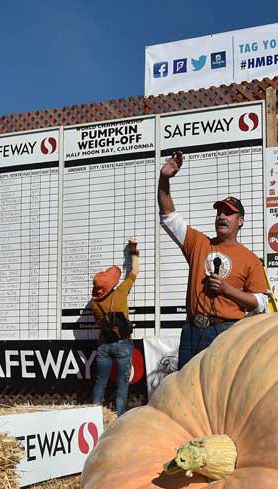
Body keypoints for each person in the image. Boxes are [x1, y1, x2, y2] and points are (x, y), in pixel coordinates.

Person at [158, 151, 267, 369]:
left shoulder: (250, 259)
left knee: (219, 391)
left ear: (241, 221)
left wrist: (227, 290)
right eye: (219, 212)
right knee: (186, 388)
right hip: (192, 329)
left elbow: (261, 304)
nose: (221, 216)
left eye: (228, 213)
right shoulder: (198, 243)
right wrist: (164, 179)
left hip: (226, 331)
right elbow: (168, 215)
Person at [89, 238, 138, 416]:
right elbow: (134, 272)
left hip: (104, 344)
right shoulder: (121, 292)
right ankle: (118, 417)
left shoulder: (94, 305)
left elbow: (100, 322)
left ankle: (93, 416)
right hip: (124, 343)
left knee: (100, 381)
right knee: (122, 382)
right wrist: (133, 251)